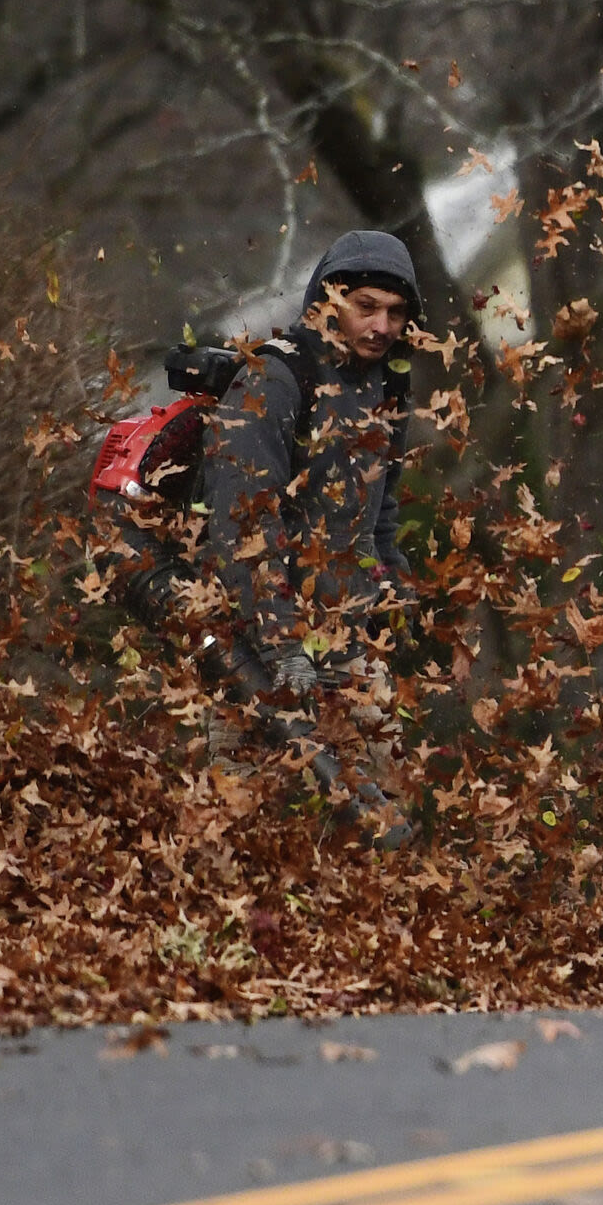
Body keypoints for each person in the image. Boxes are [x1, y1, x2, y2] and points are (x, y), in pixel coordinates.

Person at [201, 230, 422, 847]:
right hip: (255, 643)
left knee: (382, 823)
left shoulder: (389, 387)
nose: (382, 325)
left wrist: (392, 587)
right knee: (245, 826)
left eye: (397, 313)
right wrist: (279, 642)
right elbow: (244, 520)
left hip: (348, 637)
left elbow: (381, 511)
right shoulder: (275, 376)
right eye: (367, 306)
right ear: (328, 300)